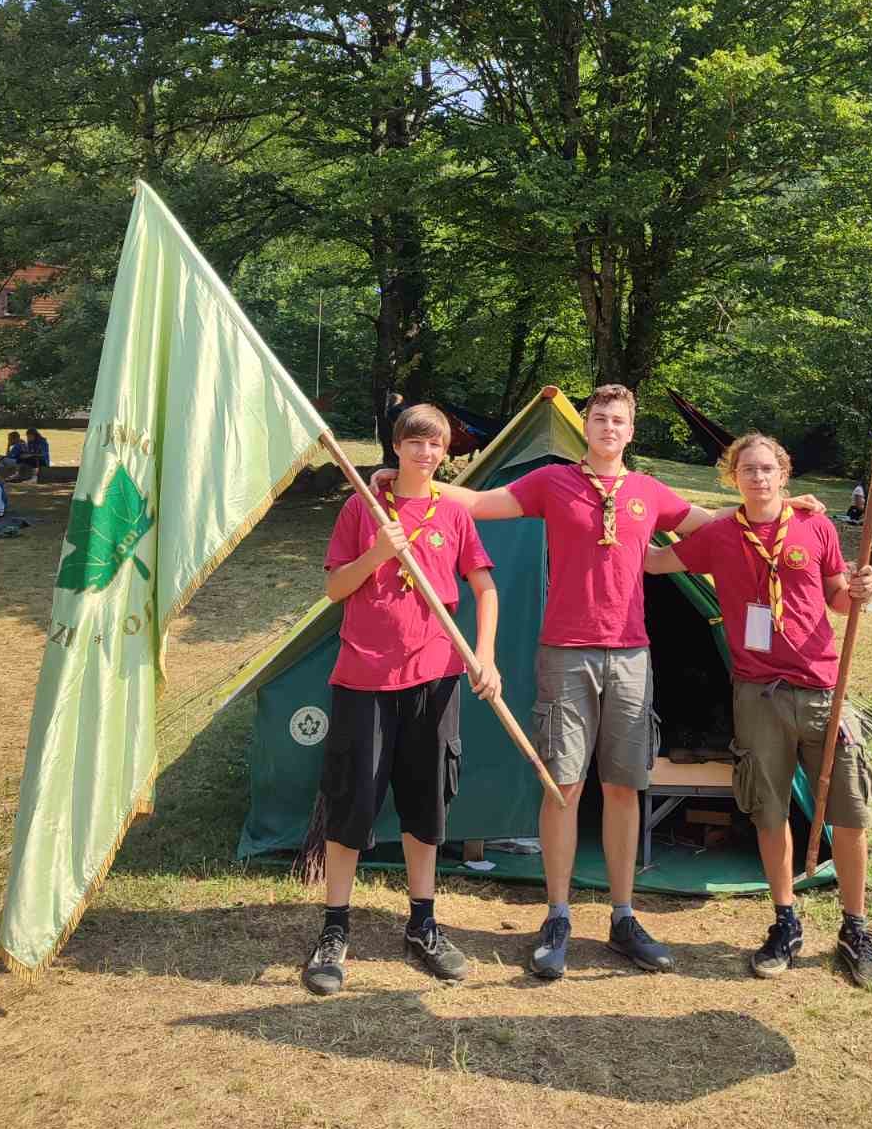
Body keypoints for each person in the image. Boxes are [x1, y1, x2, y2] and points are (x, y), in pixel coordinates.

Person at [374, 383, 824, 981]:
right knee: (562, 785)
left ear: (631, 432)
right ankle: (557, 916)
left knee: (623, 786)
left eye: (619, 420)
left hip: (632, 656)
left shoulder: (648, 492)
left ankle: (623, 917)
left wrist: (789, 508)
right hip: (565, 654)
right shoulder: (553, 482)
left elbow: (719, 521)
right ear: (586, 426)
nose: (609, 427)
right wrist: (410, 481)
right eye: (600, 418)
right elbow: (480, 502)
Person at [645, 432, 872, 991]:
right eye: (747, 470)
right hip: (757, 695)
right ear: (733, 478)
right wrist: (613, 519)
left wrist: (861, 588)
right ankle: (785, 921)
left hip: (822, 689)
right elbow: (655, 561)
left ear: (784, 474)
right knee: (769, 811)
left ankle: (855, 928)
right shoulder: (719, 535)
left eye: (766, 469)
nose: (758, 477)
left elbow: (839, 599)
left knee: (849, 813)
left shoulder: (815, 526)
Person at [301, 403, 501, 999]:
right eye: (415, 442)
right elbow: (335, 587)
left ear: (445, 451)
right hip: (364, 677)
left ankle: (423, 923)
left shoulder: (453, 512)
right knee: (352, 801)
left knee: (426, 802)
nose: (425, 453)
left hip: (435, 677)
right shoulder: (362, 507)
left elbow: (484, 587)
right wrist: (376, 554)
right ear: (397, 446)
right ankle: (335, 928)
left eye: (435, 444)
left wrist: (484, 655)